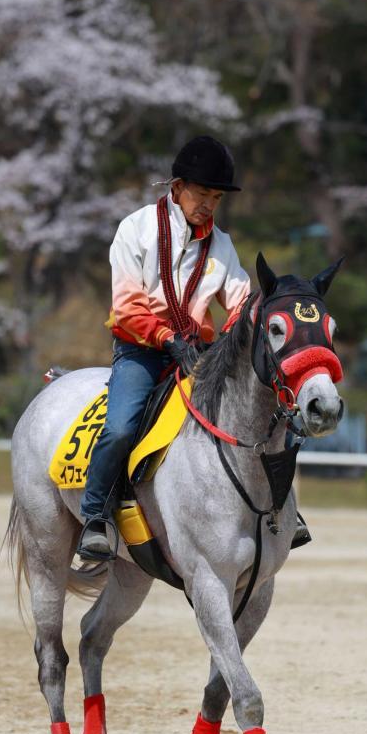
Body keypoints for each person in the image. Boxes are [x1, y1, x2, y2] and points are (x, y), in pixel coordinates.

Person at [77, 135, 250, 561]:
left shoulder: (222, 246)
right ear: (176, 188)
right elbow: (127, 307)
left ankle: (275, 512)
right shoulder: (135, 229)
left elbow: (241, 300)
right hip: (141, 351)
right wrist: (168, 339)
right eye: (201, 193)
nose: (208, 204)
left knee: (256, 412)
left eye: (215, 197)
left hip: (200, 358)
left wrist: (234, 335)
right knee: (119, 428)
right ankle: (94, 516)